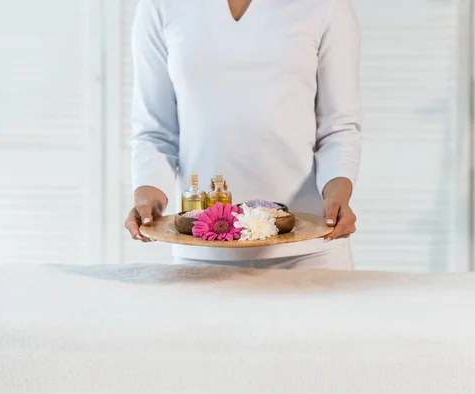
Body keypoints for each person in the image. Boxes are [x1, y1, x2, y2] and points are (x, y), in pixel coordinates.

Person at [124, 0, 362, 270]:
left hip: (310, 248)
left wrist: (337, 198)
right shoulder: (160, 5)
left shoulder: (327, 5)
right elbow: (155, 132)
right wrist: (147, 201)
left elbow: (338, 126)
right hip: (201, 249)